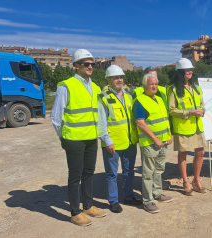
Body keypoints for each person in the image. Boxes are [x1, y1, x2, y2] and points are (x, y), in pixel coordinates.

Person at [50, 49, 106, 226]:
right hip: (73, 139)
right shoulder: (66, 86)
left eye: (92, 64)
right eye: (86, 64)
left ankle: (88, 206)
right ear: (77, 66)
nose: (91, 67)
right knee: (75, 176)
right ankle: (75, 212)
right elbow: (56, 116)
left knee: (88, 173)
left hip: (91, 137)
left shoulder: (95, 87)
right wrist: (62, 137)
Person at [97, 65, 141, 213]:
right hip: (113, 144)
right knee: (112, 174)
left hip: (129, 142)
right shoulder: (103, 97)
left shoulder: (128, 96)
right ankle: (113, 201)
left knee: (129, 172)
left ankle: (128, 197)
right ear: (108, 80)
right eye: (116, 78)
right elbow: (101, 123)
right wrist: (107, 141)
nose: (119, 80)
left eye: (121, 77)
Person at [133, 73, 174, 213]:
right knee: (148, 173)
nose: (154, 86)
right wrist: (155, 139)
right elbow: (140, 123)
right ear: (144, 85)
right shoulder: (140, 101)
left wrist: (169, 135)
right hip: (150, 143)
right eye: (151, 84)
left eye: (156, 84)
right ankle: (148, 200)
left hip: (163, 142)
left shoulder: (159, 98)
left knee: (159, 170)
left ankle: (157, 193)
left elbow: (164, 118)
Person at [168, 58, 207, 195]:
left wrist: (203, 110)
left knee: (201, 152)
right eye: (187, 70)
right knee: (183, 154)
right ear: (181, 72)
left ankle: (196, 181)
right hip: (183, 127)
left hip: (197, 127)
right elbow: (172, 110)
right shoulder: (173, 89)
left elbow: (201, 104)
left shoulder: (196, 87)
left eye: (191, 69)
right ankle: (185, 182)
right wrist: (189, 113)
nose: (190, 71)